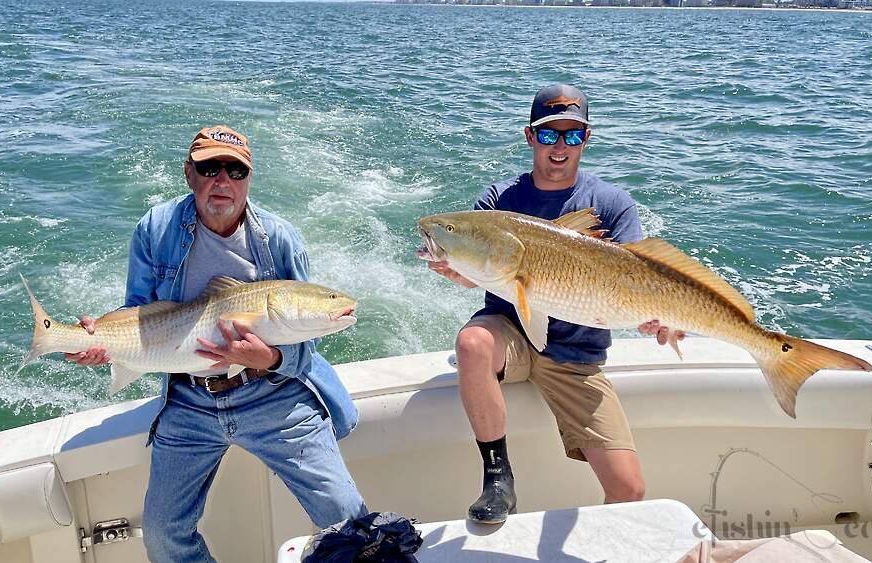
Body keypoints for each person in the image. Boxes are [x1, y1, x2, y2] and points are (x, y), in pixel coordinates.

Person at [66, 126, 367, 562]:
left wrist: (267, 358)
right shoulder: (156, 228)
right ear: (189, 174)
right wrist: (105, 340)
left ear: (249, 178)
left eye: (235, 171)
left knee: (349, 518)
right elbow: (140, 311)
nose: (222, 181)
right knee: (163, 535)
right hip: (189, 401)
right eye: (209, 168)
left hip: (274, 396)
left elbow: (306, 348)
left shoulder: (279, 239)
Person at [424, 84, 683, 524]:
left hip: (577, 355)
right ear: (529, 137)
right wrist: (459, 270)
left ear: (586, 139)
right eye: (548, 135)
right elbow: (479, 274)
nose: (559, 146)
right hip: (512, 335)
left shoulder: (611, 204)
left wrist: (661, 318)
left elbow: (641, 277)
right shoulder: (498, 202)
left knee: (629, 487)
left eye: (572, 135)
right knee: (472, 343)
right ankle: (497, 477)